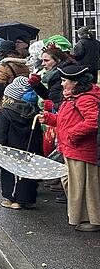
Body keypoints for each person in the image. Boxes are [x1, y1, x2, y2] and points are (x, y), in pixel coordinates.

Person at [38, 65, 100, 231]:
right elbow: (65, 120)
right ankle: (83, 218)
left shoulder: (85, 99)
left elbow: (93, 122)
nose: (62, 84)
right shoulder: (73, 97)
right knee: (75, 185)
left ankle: (93, 220)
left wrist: (72, 134)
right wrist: (50, 118)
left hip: (81, 149)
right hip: (71, 148)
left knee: (85, 186)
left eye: (65, 81)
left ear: (75, 82)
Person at [0, 77, 42, 210]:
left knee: (10, 173)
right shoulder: (34, 112)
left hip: (10, 149)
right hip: (29, 149)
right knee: (27, 174)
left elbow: (0, 133)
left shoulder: (6, 113)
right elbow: (37, 135)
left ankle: (12, 198)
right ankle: (26, 199)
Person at [30, 44, 78, 108]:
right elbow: (52, 96)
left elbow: (57, 100)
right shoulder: (54, 74)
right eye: (42, 60)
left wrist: (53, 106)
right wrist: (36, 84)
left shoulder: (64, 74)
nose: (43, 64)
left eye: (46, 60)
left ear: (58, 60)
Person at [0, 40, 31, 105]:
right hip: (22, 99)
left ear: (3, 52)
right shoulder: (24, 64)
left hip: (7, 100)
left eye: (0, 51)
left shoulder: (3, 66)